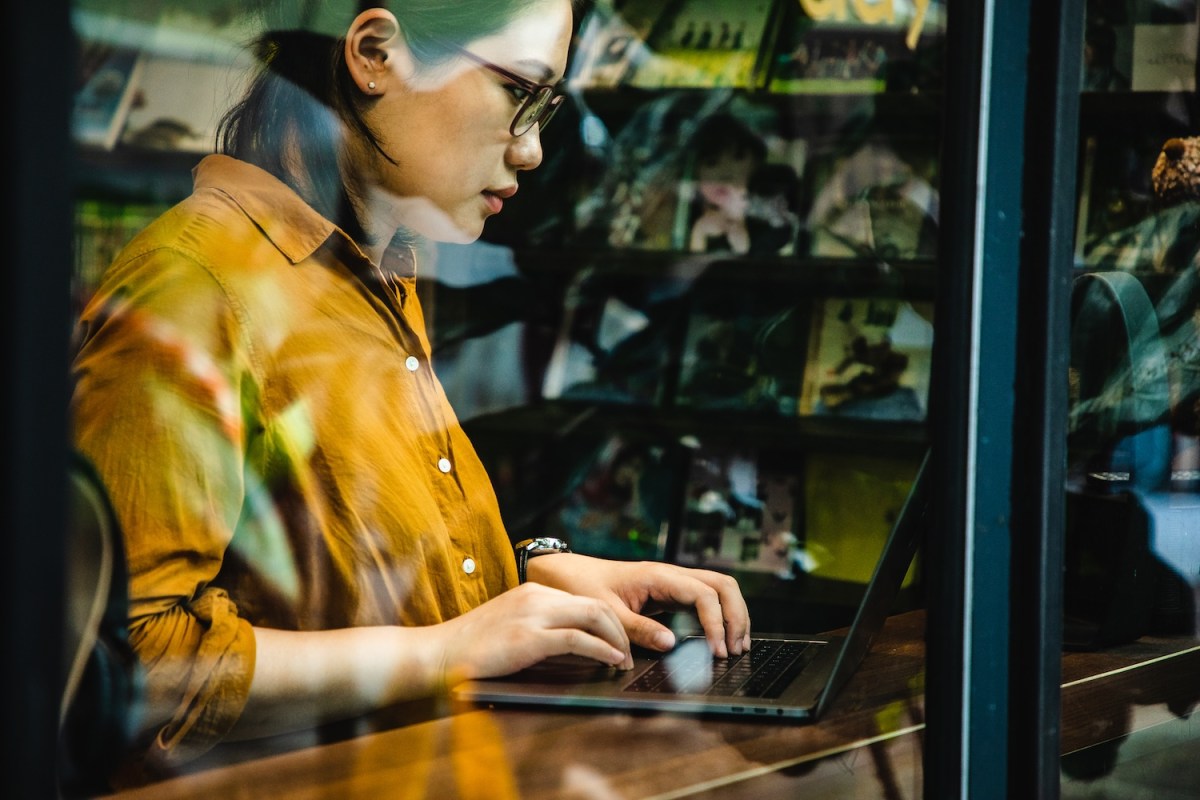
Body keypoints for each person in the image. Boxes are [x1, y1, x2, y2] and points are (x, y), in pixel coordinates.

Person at [70, 0, 750, 784]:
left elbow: (324, 574)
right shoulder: (198, 287)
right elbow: (130, 663)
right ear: (375, 54)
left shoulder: (372, 268)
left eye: (547, 108)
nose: (531, 150)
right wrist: (451, 648)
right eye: (519, 93)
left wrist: (535, 574)